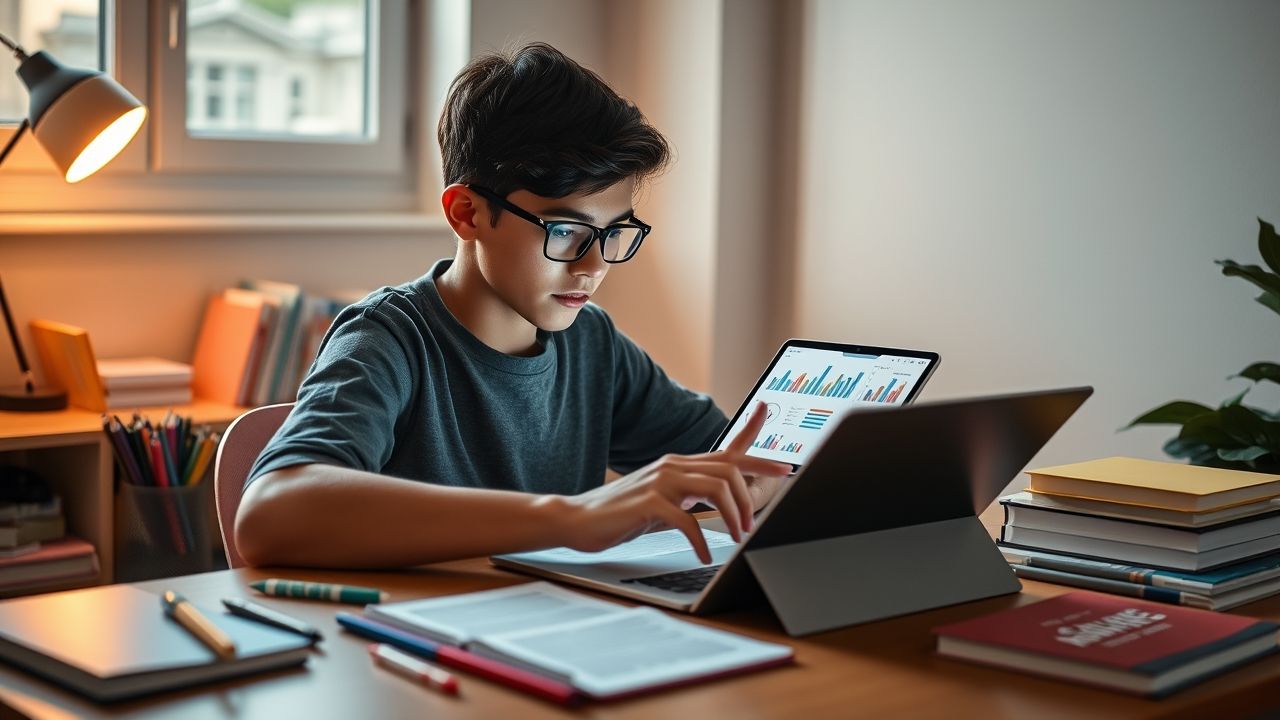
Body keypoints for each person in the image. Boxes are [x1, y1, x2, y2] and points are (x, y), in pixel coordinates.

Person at [234, 42, 791, 569]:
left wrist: (756, 481)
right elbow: (270, 514)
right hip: (414, 630)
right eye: (566, 230)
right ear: (468, 213)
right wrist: (571, 518)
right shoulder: (388, 338)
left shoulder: (591, 342)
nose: (594, 265)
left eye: (614, 233)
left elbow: (733, 464)